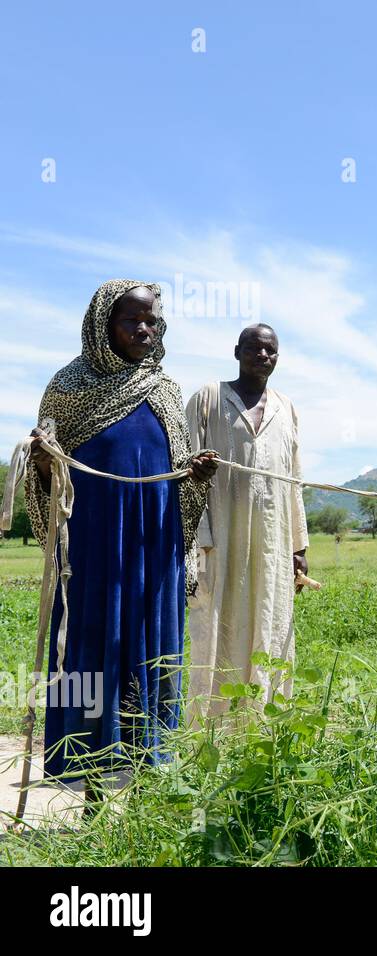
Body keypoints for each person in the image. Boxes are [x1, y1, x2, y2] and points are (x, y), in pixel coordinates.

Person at [25, 280, 216, 798]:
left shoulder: (165, 390)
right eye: (131, 320)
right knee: (94, 651)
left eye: (151, 320)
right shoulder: (69, 385)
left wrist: (194, 476)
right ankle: (92, 785)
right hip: (92, 552)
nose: (143, 330)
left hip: (154, 554)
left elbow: (178, 478)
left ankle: (149, 775)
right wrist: (44, 465)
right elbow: (44, 484)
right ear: (102, 324)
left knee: (151, 651)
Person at [186, 324, 309, 720]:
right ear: (237, 351)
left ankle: (263, 722)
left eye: (271, 351)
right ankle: (208, 729)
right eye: (255, 349)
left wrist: (298, 548)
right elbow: (183, 467)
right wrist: (199, 539)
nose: (263, 357)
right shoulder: (208, 399)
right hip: (217, 539)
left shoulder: (285, 407)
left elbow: (294, 481)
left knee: (269, 620)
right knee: (215, 623)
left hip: (273, 544)